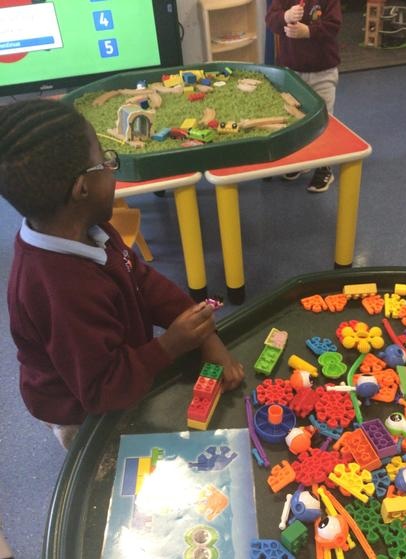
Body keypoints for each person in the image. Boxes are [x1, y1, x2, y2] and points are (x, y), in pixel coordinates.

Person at [0, 99, 244, 449]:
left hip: (116, 370)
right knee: (110, 455)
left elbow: (141, 279)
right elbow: (103, 389)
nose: (112, 168)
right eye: (106, 161)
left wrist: (205, 336)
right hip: (81, 410)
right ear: (82, 188)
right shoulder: (61, 292)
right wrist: (170, 345)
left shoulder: (90, 227)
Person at [266, 0, 342, 192]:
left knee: (324, 119)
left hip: (323, 71)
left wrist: (308, 31)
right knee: (295, 117)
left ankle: (324, 167)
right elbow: (271, 19)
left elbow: (333, 25)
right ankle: (300, 160)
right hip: (292, 73)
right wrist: (285, 16)